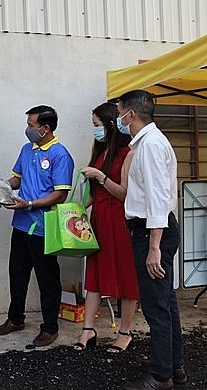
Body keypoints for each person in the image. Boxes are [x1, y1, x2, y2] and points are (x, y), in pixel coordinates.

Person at [117, 90, 186, 390]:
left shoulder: (150, 145)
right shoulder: (150, 142)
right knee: (166, 303)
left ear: (130, 115)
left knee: (156, 306)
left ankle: (161, 376)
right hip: (153, 229)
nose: (118, 118)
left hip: (152, 232)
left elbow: (158, 198)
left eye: (119, 112)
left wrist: (154, 246)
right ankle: (174, 367)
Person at [0, 105, 74, 348]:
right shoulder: (27, 150)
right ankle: (15, 318)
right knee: (17, 275)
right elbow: (17, 178)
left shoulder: (60, 155)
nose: (27, 129)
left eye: (31, 126)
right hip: (20, 225)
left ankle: (50, 328)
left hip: (43, 227)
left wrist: (30, 203)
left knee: (47, 279)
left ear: (45, 128)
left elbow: (60, 194)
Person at [73, 102, 139, 352]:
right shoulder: (100, 152)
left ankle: (125, 332)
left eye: (97, 125)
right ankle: (88, 329)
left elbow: (124, 194)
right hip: (98, 219)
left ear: (111, 125)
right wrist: (75, 211)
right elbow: (92, 195)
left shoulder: (128, 154)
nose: (95, 131)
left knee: (126, 275)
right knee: (94, 275)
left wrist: (100, 176)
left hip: (120, 220)